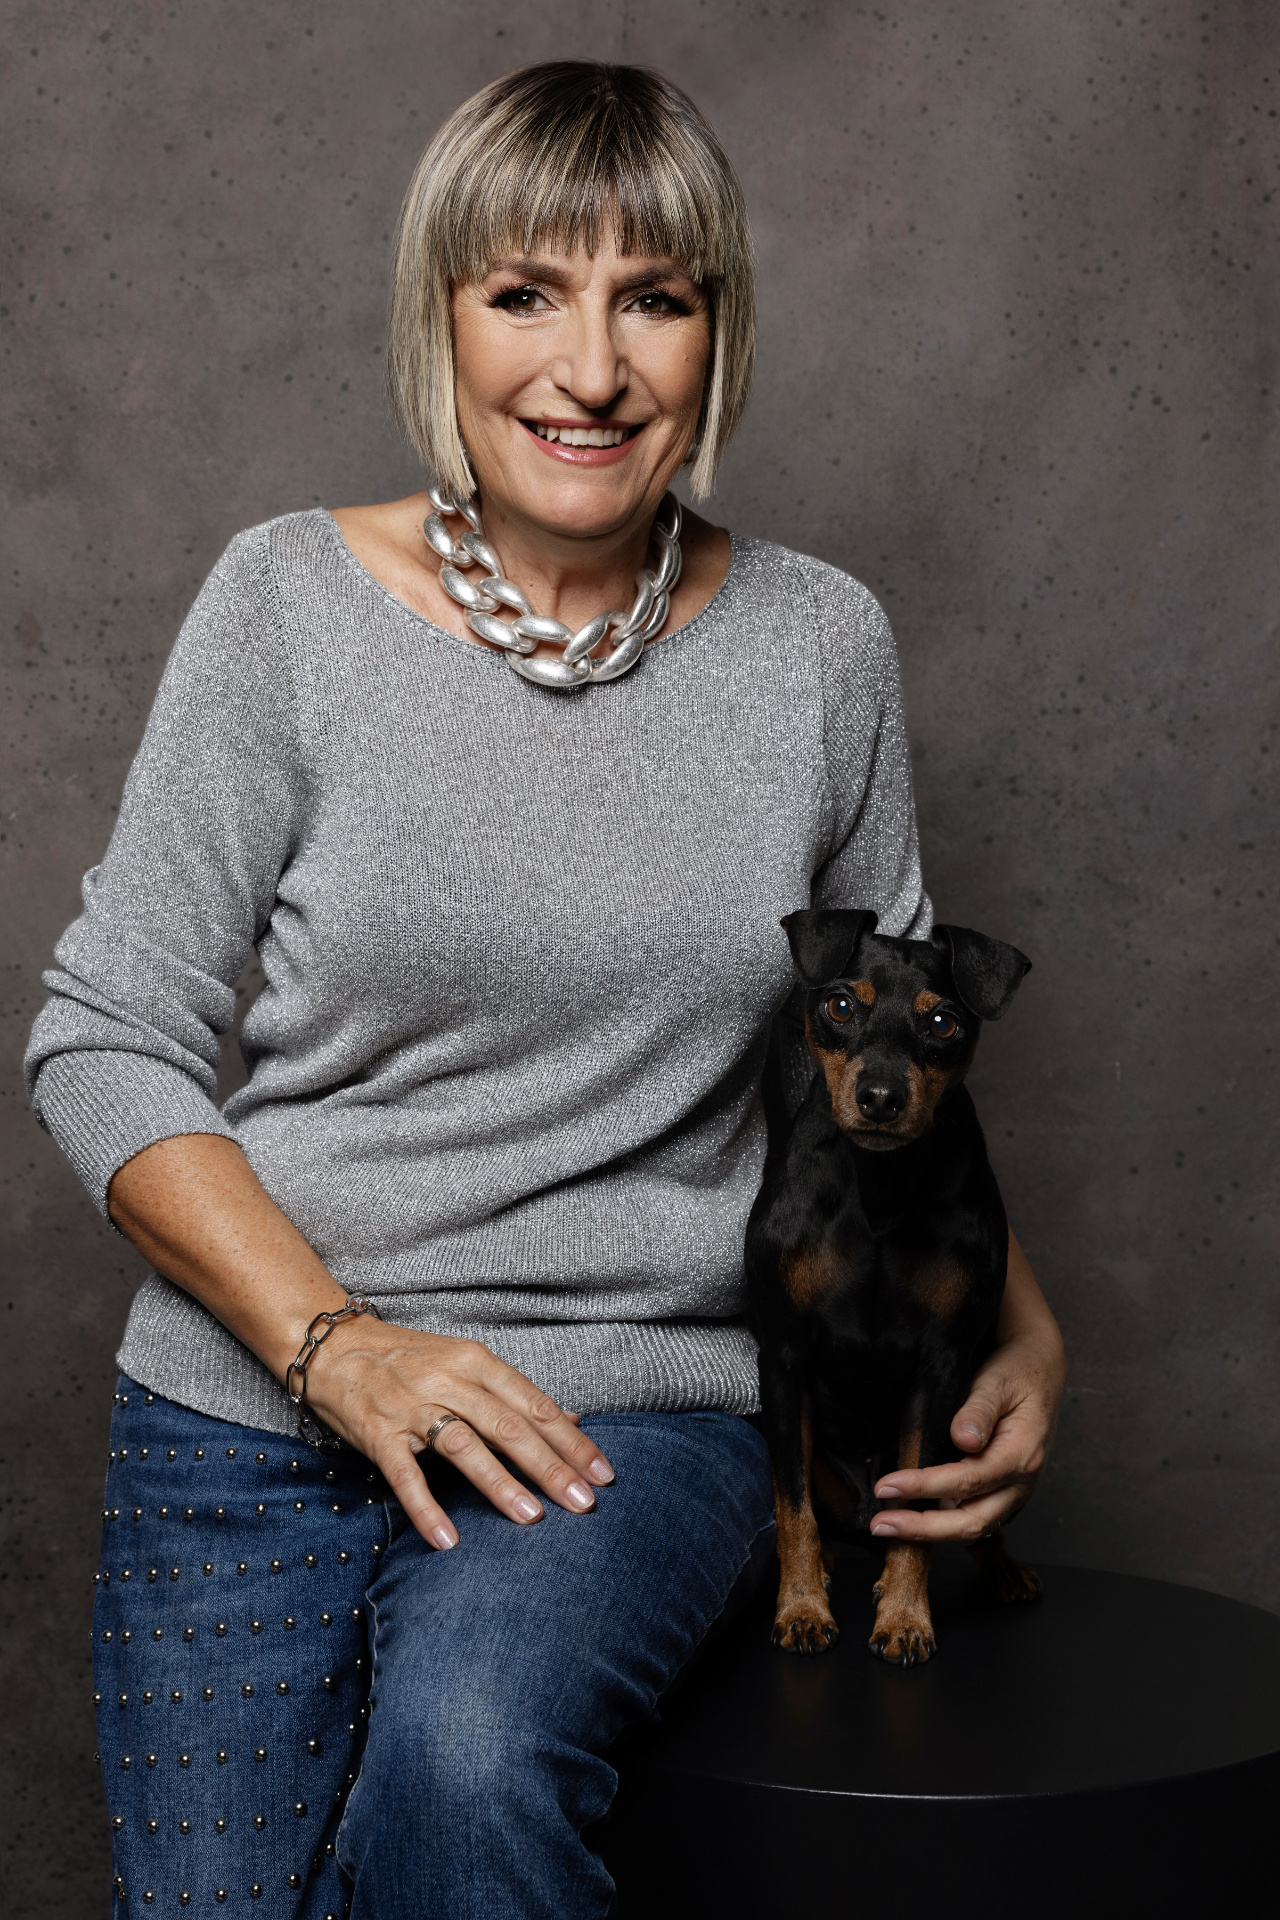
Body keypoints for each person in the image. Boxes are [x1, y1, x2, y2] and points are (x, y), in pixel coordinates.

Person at [25, 61, 1066, 1920]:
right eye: (525, 293)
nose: (589, 367)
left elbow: (896, 1049)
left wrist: (1019, 1324)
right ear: (443, 314)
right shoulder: (278, 608)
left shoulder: (822, 648)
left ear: (715, 332)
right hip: (246, 1408)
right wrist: (341, 1347)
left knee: (470, 1765)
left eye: (652, 298)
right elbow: (107, 1038)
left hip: (621, 1410)